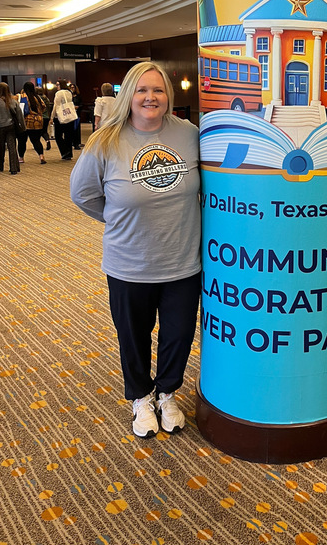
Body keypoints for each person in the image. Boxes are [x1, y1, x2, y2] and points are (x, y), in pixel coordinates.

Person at [70, 62, 201, 439]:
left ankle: (167, 393)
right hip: (129, 263)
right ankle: (141, 397)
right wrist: (117, 218)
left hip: (182, 261)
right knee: (133, 336)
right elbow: (83, 194)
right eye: (142, 90)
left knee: (179, 334)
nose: (150, 97)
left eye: (158, 90)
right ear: (129, 95)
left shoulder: (189, 133)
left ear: (168, 96)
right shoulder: (105, 140)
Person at [0, 82, 25, 174]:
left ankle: (0, 165)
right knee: (12, 147)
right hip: (10, 127)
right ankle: (14, 168)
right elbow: (20, 116)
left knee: (1, 147)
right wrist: (23, 127)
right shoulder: (13, 101)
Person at [18, 82, 47, 165]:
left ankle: (21, 158)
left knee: (22, 141)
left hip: (25, 122)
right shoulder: (37, 97)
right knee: (36, 140)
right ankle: (41, 156)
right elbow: (44, 107)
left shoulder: (22, 96)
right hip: (37, 122)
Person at [50, 79, 76, 160]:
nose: (57, 86)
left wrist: (52, 117)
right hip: (70, 116)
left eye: (58, 85)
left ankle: (64, 151)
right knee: (68, 135)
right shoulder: (69, 92)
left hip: (60, 117)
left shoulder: (59, 93)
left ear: (61, 85)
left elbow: (56, 106)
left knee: (58, 136)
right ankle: (69, 153)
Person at [69, 83, 83, 149]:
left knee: (76, 129)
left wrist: (78, 107)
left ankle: (76, 143)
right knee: (70, 129)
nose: (72, 89)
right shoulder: (68, 96)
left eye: (73, 87)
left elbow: (82, 104)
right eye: (71, 87)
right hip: (70, 114)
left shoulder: (78, 96)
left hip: (77, 114)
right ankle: (71, 142)